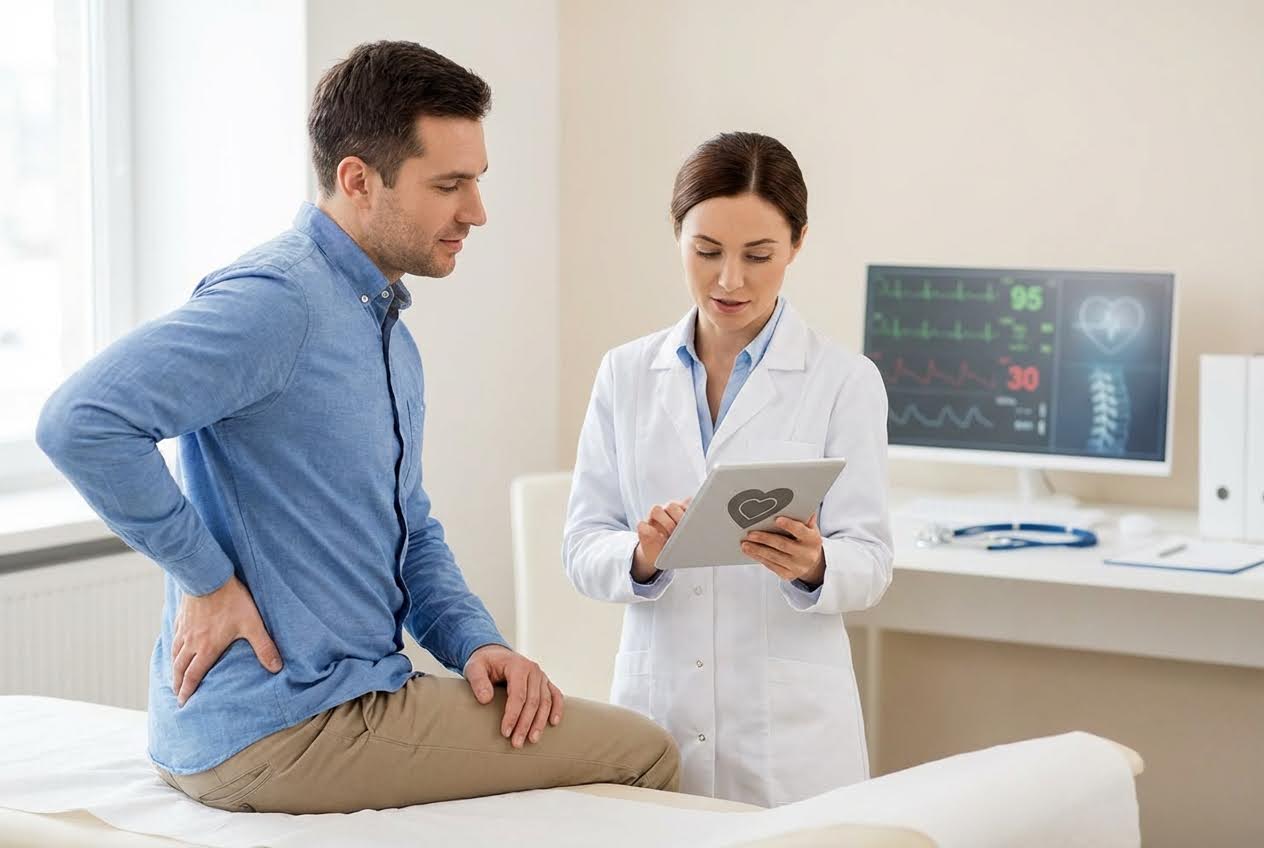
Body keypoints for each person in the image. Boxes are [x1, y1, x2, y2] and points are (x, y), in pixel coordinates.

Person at [36, 40, 678, 815]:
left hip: (323, 705)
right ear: (357, 179)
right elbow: (81, 422)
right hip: (290, 725)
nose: (476, 211)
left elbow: (411, 530)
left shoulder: (382, 329)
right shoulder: (278, 302)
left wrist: (479, 644)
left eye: (476, 182)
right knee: (645, 752)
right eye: (450, 185)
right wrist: (206, 578)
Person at [563, 132, 893, 807]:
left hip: (788, 730)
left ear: (797, 243)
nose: (729, 279)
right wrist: (642, 554)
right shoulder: (626, 375)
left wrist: (814, 564)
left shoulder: (843, 381)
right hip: (660, 708)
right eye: (706, 252)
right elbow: (582, 543)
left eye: (758, 255)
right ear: (678, 237)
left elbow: (872, 559)